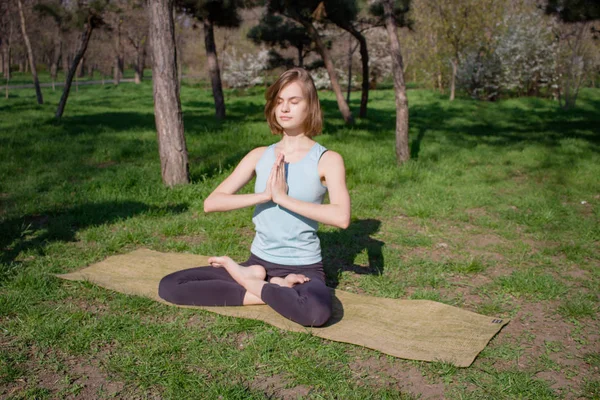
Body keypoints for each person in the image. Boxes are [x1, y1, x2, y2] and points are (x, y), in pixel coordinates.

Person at [158, 67, 351, 327]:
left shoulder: (328, 160)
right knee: (171, 286)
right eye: (279, 102)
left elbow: (341, 217)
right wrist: (263, 196)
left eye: (294, 101)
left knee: (315, 313)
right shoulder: (259, 155)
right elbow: (212, 202)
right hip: (258, 262)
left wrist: (282, 198)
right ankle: (272, 287)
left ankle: (256, 283)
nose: (285, 108)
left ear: (311, 107)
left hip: (304, 268)